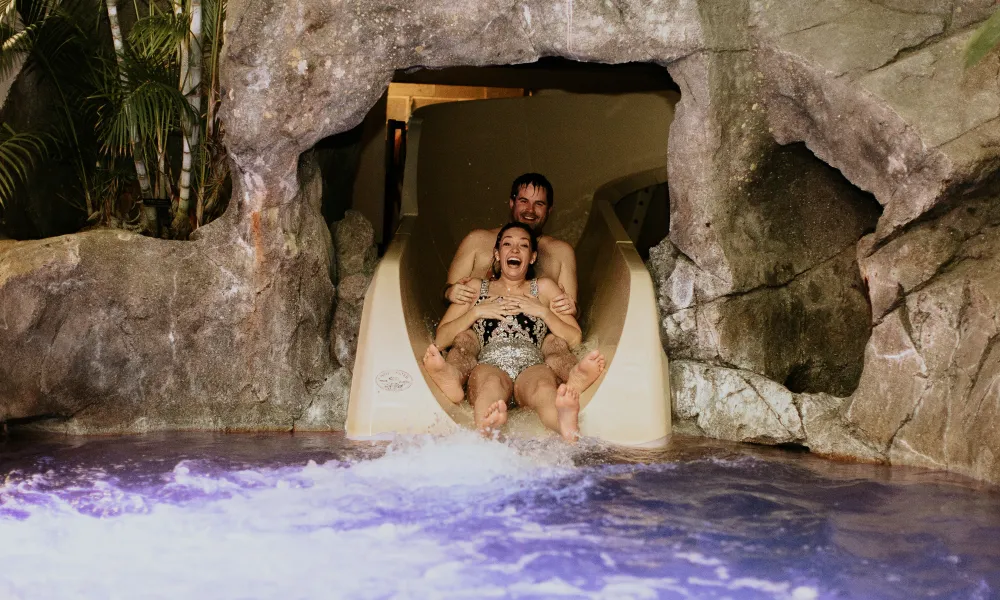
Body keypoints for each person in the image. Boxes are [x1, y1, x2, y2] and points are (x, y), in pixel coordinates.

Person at [423, 223, 605, 440]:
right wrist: (476, 312)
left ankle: (563, 424)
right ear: (497, 254)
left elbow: (574, 338)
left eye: (523, 245)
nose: (515, 250)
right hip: (489, 363)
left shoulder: (544, 288)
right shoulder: (475, 288)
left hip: (533, 364)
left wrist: (543, 312)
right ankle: (487, 425)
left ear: (533, 257)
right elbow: (442, 339)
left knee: (543, 387)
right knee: (490, 385)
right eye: (507, 244)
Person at [434, 173, 587, 403]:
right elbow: (449, 296)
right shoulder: (478, 241)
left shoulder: (560, 252)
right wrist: (449, 292)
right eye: (524, 201)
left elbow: (570, 318)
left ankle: (573, 376)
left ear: (549, 210)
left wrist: (571, 306)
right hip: (481, 334)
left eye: (539, 204)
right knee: (464, 337)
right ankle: (454, 376)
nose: (530, 210)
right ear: (512, 202)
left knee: (556, 342)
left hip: (538, 340)